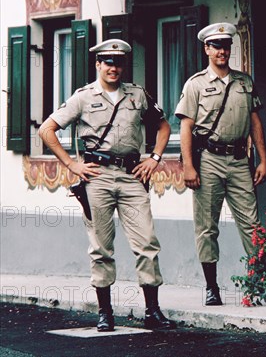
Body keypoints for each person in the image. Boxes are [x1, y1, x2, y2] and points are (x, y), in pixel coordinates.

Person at [38, 39, 175, 331]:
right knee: (101, 247)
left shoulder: (137, 95)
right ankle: (105, 313)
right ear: (98, 65)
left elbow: (164, 126)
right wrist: (71, 165)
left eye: (118, 62)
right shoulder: (83, 97)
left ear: (123, 65)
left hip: (132, 176)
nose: (113, 68)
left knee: (147, 242)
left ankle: (152, 310)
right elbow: (46, 129)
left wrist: (154, 157)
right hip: (97, 177)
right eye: (107, 62)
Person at [175, 22, 266, 306]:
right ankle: (211, 286)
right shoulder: (196, 84)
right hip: (209, 160)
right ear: (207, 49)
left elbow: (254, 122)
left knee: (252, 224)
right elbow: (186, 127)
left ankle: (260, 283)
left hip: (239, 159)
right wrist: (188, 166)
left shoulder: (244, 82)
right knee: (207, 226)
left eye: (226, 46)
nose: (222, 51)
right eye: (216, 46)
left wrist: (263, 159)